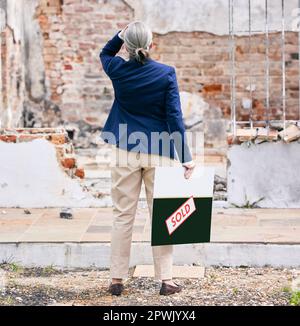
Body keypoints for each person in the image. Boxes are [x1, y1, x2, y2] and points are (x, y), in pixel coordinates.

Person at [100, 21, 195, 296]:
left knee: (122, 215)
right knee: (164, 216)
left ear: (127, 46)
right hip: (160, 151)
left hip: (124, 149)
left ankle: (117, 279)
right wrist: (186, 157)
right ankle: (166, 280)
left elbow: (105, 53)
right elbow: (174, 117)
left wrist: (120, 35)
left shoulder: (116, 69)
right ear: (151, 45)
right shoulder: (166, 73)